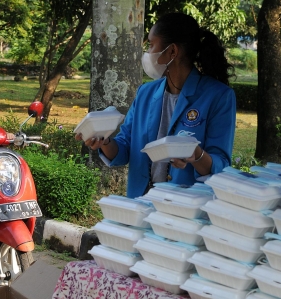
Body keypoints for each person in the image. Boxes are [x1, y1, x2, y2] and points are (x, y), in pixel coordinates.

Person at [77, 13, 236, 198]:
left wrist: (196, 155)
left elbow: (221, 165)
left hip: (187, 208)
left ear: (172, 51)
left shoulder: (218, 96)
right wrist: (104, 141)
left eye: (151, 45)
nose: (147, 53)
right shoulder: (146, 93)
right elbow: (125, 148)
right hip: (142, 204)